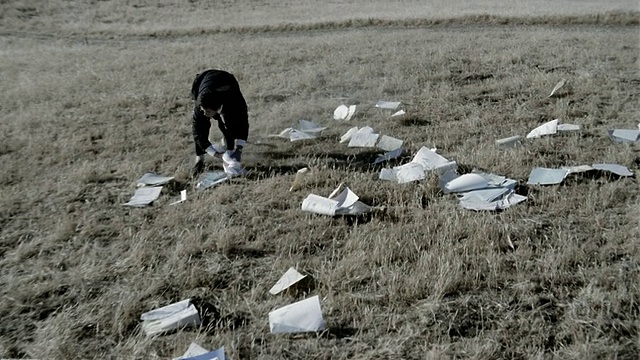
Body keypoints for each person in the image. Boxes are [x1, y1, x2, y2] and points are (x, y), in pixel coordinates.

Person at [190, 69, 249, 177]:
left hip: (227, 81)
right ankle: (200, 158)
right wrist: (215, 154)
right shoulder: (201, 104)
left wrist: (239, 148)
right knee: (202, 124)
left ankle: (229, 146)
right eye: (203, 110)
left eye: (207, 111)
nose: (204, 113)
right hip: (202, 80)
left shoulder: (235, 101)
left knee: (232, 124)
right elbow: (197, 131)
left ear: (217, 108)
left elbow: (243, 122)